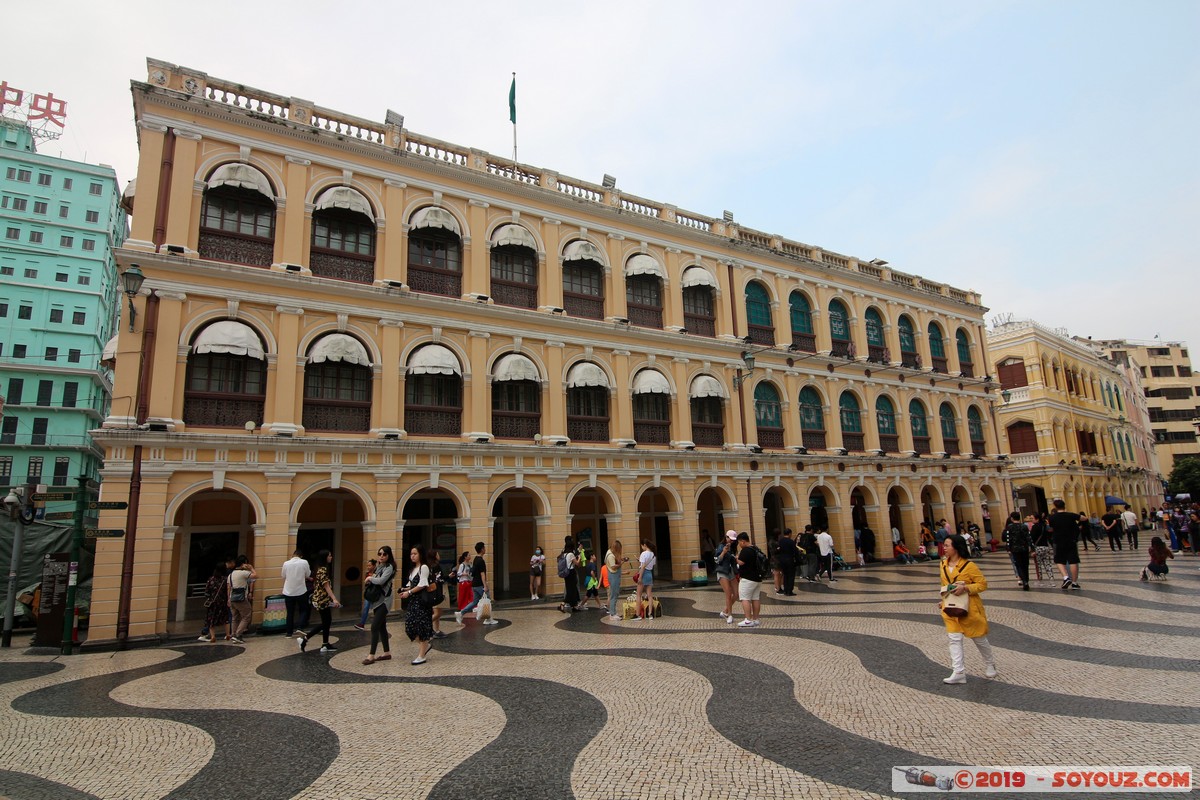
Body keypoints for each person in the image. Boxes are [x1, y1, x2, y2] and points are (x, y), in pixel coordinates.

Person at [940, 534, 997, 684]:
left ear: (956, 547)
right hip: (951, 608)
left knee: (978, 638)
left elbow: (982, 584)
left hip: (969, 607)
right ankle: (958, 672)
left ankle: (990, 663)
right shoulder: (943, 565)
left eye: (947, 545)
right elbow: (945, 585)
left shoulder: (969, 566)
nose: (944, 548)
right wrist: (944, 600)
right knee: (954, 639)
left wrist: (965, 588)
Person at [297, 550, 341, 652]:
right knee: (325, 622)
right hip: (321, 600)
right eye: (329, 556)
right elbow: (326, 586)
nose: (331, 557)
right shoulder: (323, 570)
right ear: (325, 557)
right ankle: (305, 639)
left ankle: (325, 644)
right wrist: (334, 599)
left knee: (327, 621)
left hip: (322, 599)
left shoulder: (321, 569)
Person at [397, 546, 434, 665]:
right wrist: (404, 589)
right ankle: (426, 645)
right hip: (413, 602)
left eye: (415, 554)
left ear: (420, 555)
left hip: (422, 602)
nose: (412, 556)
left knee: (421, 626)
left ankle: (421, 655)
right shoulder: (413, 569)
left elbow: (423, 584)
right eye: (411, 554)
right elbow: (412, 585)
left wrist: (409, 592)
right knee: (410, 626)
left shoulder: (424, 567)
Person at [362, 545, 395, 665]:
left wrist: (370, 578)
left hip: (385, 601)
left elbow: (381, 581)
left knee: (374, 626)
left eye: (384, 554)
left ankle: (371, 655)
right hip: (377, 601)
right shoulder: (379, 567)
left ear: (388, 555)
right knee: (381, 627)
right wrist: (372, 577)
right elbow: (377, 578)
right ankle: (387, 652)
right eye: (380, 554)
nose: (381, 556)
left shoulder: (389, 567)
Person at [1048, 499, 1082, 590]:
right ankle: (1074, 583)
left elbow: (1051, 527)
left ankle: (1066, 577)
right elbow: (1083, 518)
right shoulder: (1071, 515)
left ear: (1055, 507)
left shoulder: (1052, 518)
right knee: (1073, 560)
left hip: (1059, 541)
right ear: (1064, 506)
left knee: (1059, 560)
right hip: (1071, 540)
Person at [455, 541, 490, 624]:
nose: (485, 549)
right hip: (479, 585)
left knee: (474, 602)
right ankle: (488, 619)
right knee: (488, 600)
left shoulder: (475, 559)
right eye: (484, 548)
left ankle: (461, 613)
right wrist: (485, 585)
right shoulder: (481, 561)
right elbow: (482, 574)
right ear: (482, 549)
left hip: (474, 584)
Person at [281, 548, 312, 637]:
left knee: (290, 612)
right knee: (304, 609)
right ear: (301, 556)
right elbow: (308, 574)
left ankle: (289, 633)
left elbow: (283, 575)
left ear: (293, 555)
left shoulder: (286, 563)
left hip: (288, 591)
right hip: (301, 590)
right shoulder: (304, 562)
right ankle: (300, 627)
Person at [735, 532, 764, 627]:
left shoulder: (745, 550)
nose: (739, 545)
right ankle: (756, 619)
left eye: (739, 542)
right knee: (755, 598)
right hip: (757, 578)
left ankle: (748, 619)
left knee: (745, 598)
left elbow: (741, 562)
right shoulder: (755, 548)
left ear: (743, 541)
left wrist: (736, 558)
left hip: (747, 579)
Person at [227, 555, 256, 644]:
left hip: (232, 598)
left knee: (235, 618)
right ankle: (238, 635)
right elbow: (255, 576)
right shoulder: (243, 573)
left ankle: (233, 634)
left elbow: (229, 587)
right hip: (241, 598)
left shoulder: (231, 574)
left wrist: (228, 598)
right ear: (243, 564)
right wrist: (251, 568)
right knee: (247, 616)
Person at [199, 562, 231, 642]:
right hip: (222, 602)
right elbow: (228, 590)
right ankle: (227, 634)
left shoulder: (211, 579)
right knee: (225, 619)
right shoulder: (225, 579)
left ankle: (213, 636)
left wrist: (210, 597)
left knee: (211, 620)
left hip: (213, 603)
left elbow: (206, 592)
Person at [1003, 511, 1031, 590]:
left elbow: (1008, 538)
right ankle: (1026, 580)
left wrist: (1008, 548)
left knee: (1018, 565)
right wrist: (1031, 547)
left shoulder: (1010, 527)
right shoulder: (1024, 526)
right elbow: (1028, 537)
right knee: (1025, 565)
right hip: (1024, 548)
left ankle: (1024, 580)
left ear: (1012, 518)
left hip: (1015, 549)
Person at [714, 531, 738, 622]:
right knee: (728, 593)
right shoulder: (721, 547)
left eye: (733, 540)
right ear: (726, 537)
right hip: (722, 571)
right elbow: (717, 560)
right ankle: (729, 615)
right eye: (730, 539)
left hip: (730, 571)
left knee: (736, 594)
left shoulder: (733, 547)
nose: (731, 541)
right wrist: (723, 552)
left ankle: (725, 611)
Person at [604, 540, 628, 619]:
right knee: (614, 594)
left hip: (614, 575)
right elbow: (614, 566)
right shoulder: (610, 556)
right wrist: (621, 563)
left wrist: (621, 559)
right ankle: (612, 614)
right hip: (613, 576)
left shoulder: (609, 552)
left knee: (615, 594)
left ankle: (613, 612)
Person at [634, 540, 657, 620]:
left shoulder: (643, 554)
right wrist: (639, 560)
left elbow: (643, 566)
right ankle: (650, 614)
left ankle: (637, 614)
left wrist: (640, 577)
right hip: (649, 574)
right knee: (650, 595)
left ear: (644, 545)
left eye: (642, 546)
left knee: (638, 595)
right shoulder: (653, 554)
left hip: (643, 574)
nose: (642, 548)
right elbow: (651, 564)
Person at [427, 548, 447, 638]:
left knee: (436, 612)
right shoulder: (436, 566)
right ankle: (425, 625)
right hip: (437, 590)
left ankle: (436, 630)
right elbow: (439, 579)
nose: (439, 555)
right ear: (435, 556)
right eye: (437, 554)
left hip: (432, 591)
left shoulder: (429, 565)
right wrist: (447, 578)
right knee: (438, 613)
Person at [557, 536, 580, 613]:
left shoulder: (564, 554)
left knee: (571, 589)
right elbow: (577, 563)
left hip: (566, 573)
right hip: (571, 573)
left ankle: (574, 606)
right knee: (571, 590)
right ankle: (562, 604)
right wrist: (579, 557)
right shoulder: (571, 554)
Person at [354, 558, 377, 631]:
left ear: (373, 566)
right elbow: (366, 584)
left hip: (375, 593)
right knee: (366, 607)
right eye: (367, 565)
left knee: (376, 608)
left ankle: (378, 624)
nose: (368, 567)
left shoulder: (377, 573)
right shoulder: (367, 574)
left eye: (369, 565)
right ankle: (362, 624)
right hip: (369, 593)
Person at [775, 528, 799, 595]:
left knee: (785, 575)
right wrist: (797, 560)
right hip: (789, 560)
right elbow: (795, 551)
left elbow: (778, 550)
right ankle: (789, 591)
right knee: (791, 576)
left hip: (782, 560)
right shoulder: (791, 541)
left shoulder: (780, 541)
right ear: (789, 533)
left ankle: (785, 590)